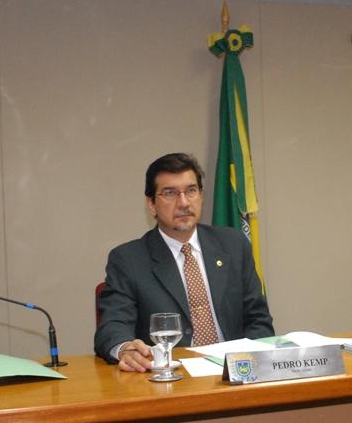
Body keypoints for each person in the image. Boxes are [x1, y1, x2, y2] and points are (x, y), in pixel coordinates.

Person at [94, 152, 274, 372]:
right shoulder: (129, 259)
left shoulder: (233, 244)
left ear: (201, 196)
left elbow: (258, 319)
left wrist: (250, 363)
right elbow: (113, 324)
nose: (184, 203)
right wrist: (125, 348)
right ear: (151, 204)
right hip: (170, 377)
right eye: (170, 193)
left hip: (235, 372)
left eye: (191, 190)